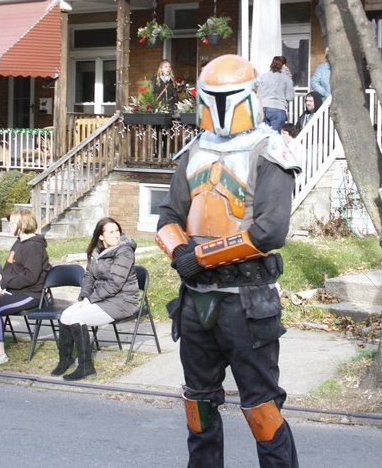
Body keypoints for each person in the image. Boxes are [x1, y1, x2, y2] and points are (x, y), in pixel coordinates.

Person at [157, 54, 301, 467]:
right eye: (213, 96)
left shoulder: (270, 151)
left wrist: (197, 256)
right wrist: (180, 250)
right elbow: (168, 215)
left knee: (262, 409)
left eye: (229, 97)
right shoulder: (193, 151)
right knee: (197, 406)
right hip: (197, 302)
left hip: (246, 301)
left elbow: (269, 231)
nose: (221, 106)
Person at [52, 217, 139, 380]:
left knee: (78, 318)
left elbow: (115, 284)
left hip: (123, 301)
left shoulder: (124, 251)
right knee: (65, 315)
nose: (116, 235)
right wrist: (84, 297)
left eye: (117, 231)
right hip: (103, 299)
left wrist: (91, 300)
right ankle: (66, 359)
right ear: (101, 236)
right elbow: (89, 278)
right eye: (111, 232)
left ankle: (86, 367)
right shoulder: (96, 253)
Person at [0, 208, 50, 368]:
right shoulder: (19, 242)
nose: (9, 226)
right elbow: (10, 267)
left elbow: (30, 277)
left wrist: (3, 284)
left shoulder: (34, 246)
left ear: (23, 224)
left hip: (30, 293)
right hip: (13, 289)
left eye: (12, 223)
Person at [259, 55, 294, 132]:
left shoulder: (263, 76)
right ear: (284, 65)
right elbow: (290, 97)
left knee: (264, 135)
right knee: (275, 136)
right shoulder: (286, 78)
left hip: (263, 108)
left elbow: (257, 92)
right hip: (278, 109)